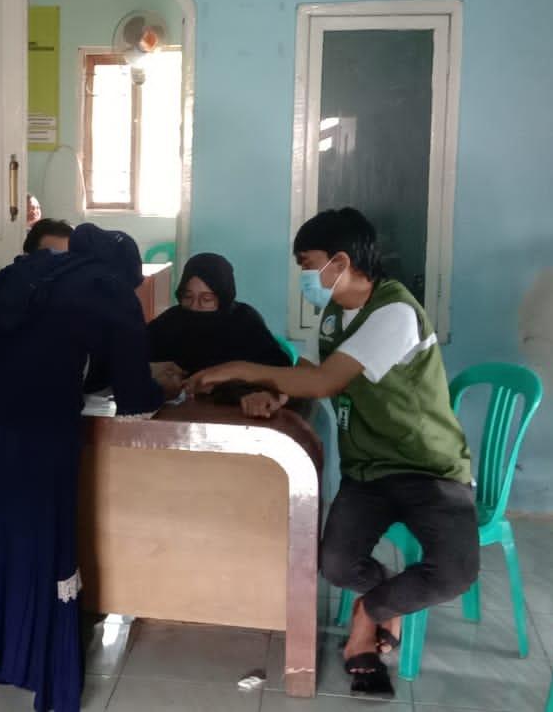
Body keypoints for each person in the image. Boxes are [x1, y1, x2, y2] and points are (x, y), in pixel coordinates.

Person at [186, 208, 476, 696]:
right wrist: (277, 393)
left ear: (340, 262)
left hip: (429, 467)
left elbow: (325, 381)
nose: (304, 276)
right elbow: (324, 379)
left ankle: (372, 610)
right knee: (337, 564)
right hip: (369, 469)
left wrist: (242, 368)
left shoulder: (395, 313)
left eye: (307, 264)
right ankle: (384, 595)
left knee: (454, 574)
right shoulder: (335, 315)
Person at [0, 224, 164, 712]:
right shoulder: (112, 289)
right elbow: (137, 402)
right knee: (37, 537)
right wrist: (162, 384)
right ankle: (38, 670)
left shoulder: (28, 270)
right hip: (34, 428)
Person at [146, 253, 293, 418]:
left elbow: (280, 377)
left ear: (223, 298)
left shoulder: (244, 323)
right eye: (187, 297)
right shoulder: (171, 321)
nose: (195, 306)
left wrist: (225, 387)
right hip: (174, 420)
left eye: (206, 299)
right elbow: (133, 358)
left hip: (237, 421)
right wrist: (155, 372)